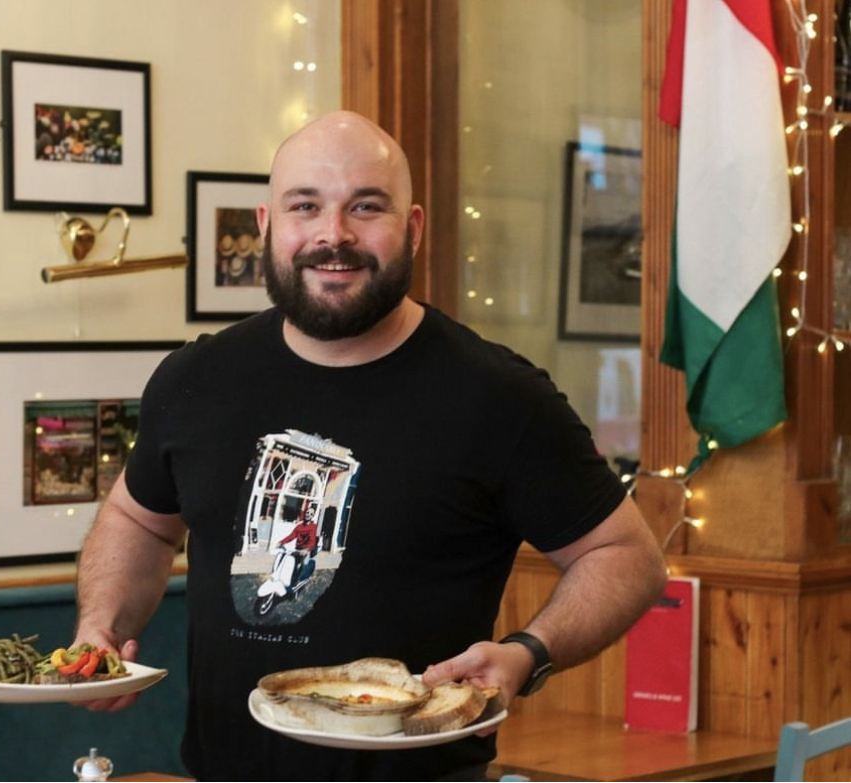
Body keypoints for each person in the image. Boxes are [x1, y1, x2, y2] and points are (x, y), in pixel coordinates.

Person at [73, 110, 667, 781]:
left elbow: (627, 558)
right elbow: (139, 521)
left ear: (411, 228)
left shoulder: (497, 397)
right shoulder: (195, 379)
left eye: (365, 206)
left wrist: (529, 651)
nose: (334, 234)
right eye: (306, 206)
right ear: (266, 226)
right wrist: (101, 626)